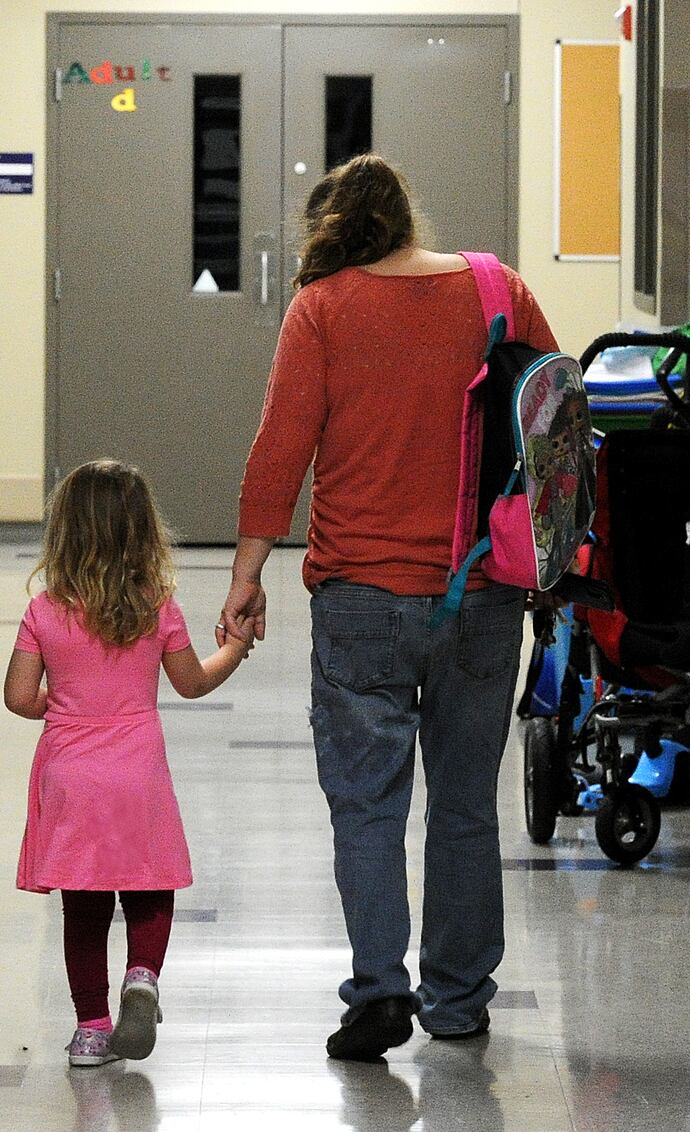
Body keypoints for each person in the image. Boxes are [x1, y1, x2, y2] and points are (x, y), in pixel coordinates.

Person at [219, 154, 560, 1059]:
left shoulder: (322, 309)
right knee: (462, 803)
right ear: (408, 219)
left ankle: (379, 990)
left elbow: (279, 450)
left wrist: (246, 574)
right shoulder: (498, 291)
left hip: (361, 601)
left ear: (332, 231)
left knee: (366, 804)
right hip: (483, 591)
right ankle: (457, 1001)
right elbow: (560, 427)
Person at [5, 460, 252, 1068]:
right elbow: (192, 682)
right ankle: (142, 978)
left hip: (69, 771)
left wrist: (61, 706)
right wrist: (235, 649)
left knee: (83, 909)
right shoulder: (156, 605)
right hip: (137, 767)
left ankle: (92, 1030)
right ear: (144, 532)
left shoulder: (44, 610)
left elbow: (17, 697)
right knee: (148, 884)